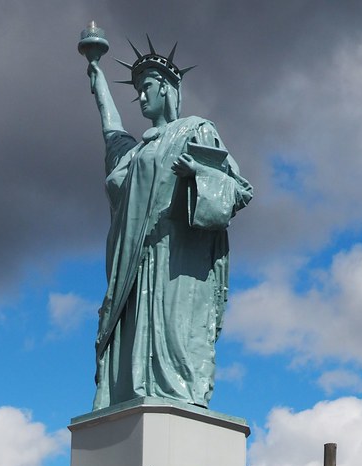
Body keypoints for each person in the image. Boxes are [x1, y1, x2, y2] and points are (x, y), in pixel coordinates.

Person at [87, 41, 252, 411]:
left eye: (146, 86)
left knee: (176, 341)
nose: (141, 97)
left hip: (177, 262)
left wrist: (198, 174)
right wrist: (96, 74)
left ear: (166, 87)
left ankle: (178, 401)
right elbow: (110, 130)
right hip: (134, 269)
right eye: (136, 90)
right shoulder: (133, 154)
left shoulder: (196, 130)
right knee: (129, 352)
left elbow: (240, 190)